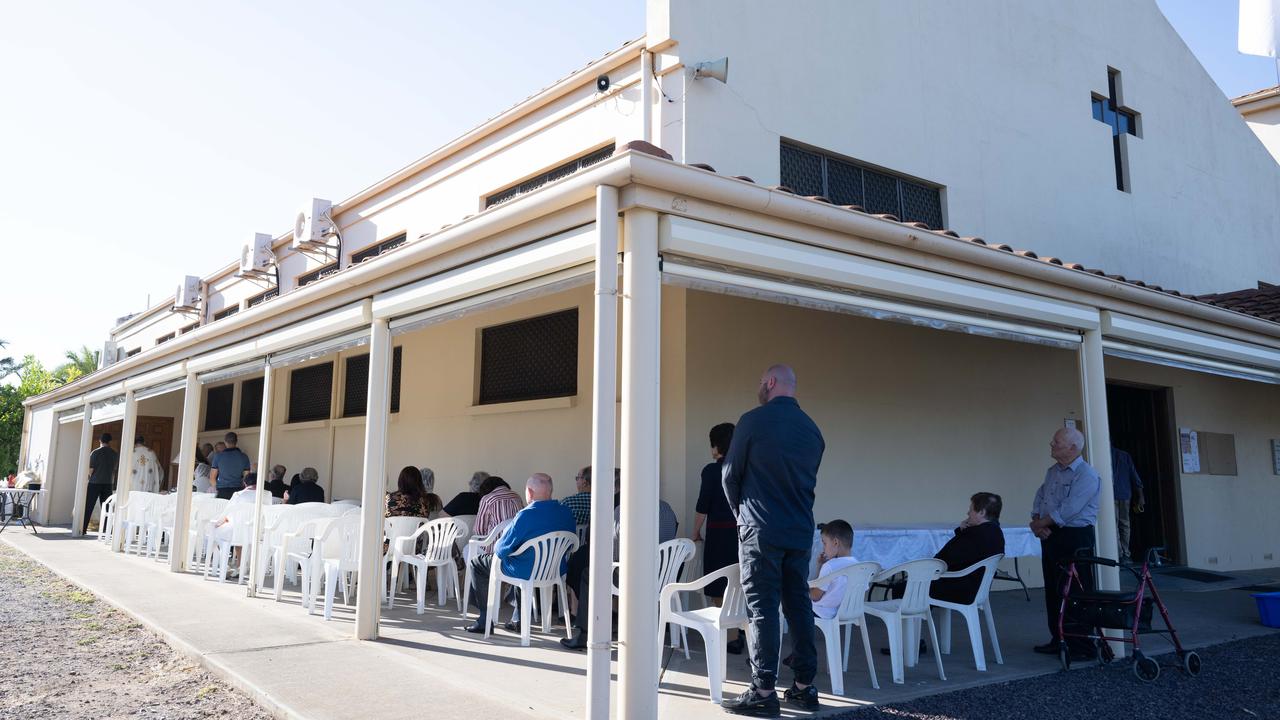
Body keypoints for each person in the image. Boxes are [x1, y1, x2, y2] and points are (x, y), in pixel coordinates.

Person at [721, 364, 825, 715]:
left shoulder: (753, 420)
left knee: (763, 608)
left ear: (769, 383)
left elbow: (729, 476)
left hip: (761, 529)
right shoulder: (813, 430)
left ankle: (763, 692)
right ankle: (804, 687)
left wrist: (740, 515)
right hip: (799, 530)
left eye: (759, 383)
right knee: (798, 605)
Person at [561, 471, 679, 650]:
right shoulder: (667, 509)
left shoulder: (622, 510)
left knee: (589, 573)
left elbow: (614, 553)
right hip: (663, 577)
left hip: (633, 578)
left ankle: (585, 632)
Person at [465, 473, 576, 634]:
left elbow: (500, 549)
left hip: (525, 570)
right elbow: (571, 544)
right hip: (555, 571)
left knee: (477, 562)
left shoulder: (526, 515)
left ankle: (484, 620)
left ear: (529, 492)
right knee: (521, 561)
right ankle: (518, 619)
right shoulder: (566, 512)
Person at [1030, 427, 1100, 660]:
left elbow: (1070, 509)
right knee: (1053, 589)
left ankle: (1082, 645)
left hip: (1075, 537)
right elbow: (1041, 497)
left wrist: (1042, 524)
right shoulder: (1053, 472)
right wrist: (1036, 523)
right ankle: (1058, 638)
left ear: (1073, 447)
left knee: (1077, 591)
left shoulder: (1087, 475)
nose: (1051, 443)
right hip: (1052, 535)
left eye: (1056, 441)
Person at [692, 422, 744, 653]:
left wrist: (695, 532)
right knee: (740, 582)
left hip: (719, 533)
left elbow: (703, 506)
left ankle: (730, 636)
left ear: (716, 447)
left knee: (719, 585)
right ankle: (741, 629)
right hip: (744, 532)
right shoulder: (745, 468)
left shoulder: (712, 471)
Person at [1110, 447, 1145, 564]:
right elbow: (1134, 475)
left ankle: (1119, 554)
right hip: (1125, 494)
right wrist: (1140, 496)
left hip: (1111, 494)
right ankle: (1126, 553)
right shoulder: (1124, 455)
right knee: (1125, 524)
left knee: (1113, 525)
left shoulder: (1102, 453)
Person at [82, 433, 118, 533]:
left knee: (88, 506)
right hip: (108, 483)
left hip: (94, 482)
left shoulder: (95, 452)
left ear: (100, 440)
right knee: (107, 507)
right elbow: (114, 469)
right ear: (110, 442)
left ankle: (83, 528)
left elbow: (90, 469)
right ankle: (107, 530)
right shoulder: (114, 454)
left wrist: (89, 478)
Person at [209, 432, 251, 500]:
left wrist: (217, 488)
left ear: (225, 442)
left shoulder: (218, 457)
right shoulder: (244, 457)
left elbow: (212, 478)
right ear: (236, 441)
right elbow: (246, 478)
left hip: (222, 491)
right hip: (238, 491)